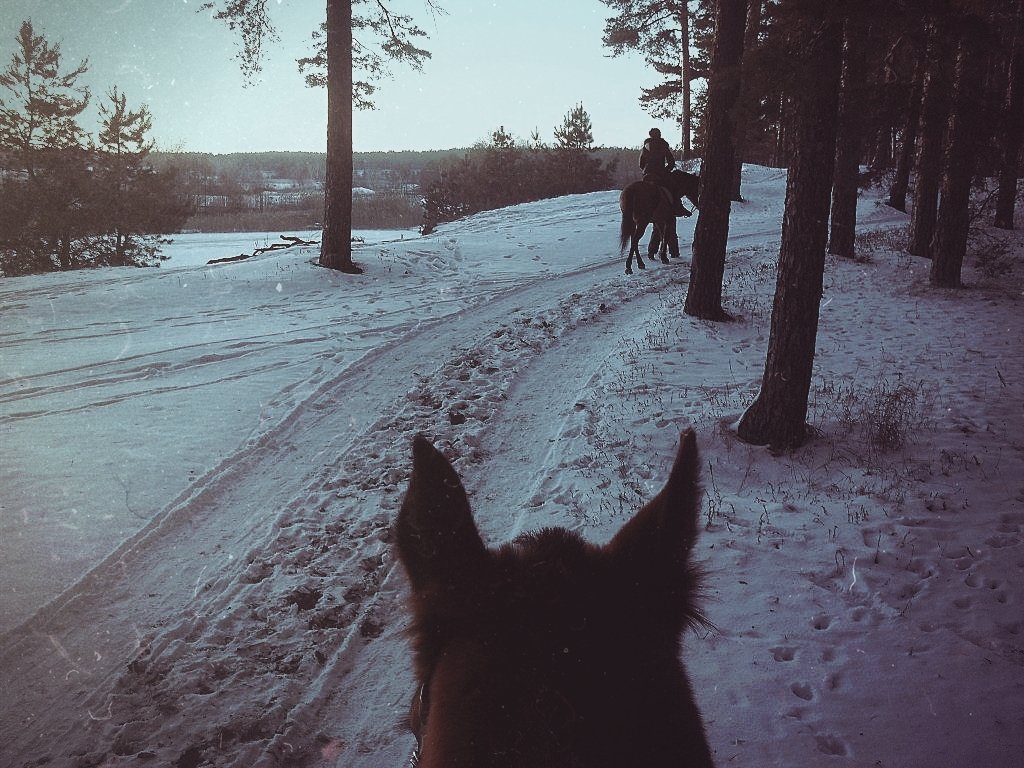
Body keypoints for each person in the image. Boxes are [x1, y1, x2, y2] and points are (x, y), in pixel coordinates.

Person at [639, 128, 688, 217]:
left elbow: (641, 163)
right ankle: (678, 207)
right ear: (659, 135)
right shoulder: (663, 145)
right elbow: (671, 162)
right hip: (660, 173)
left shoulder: (645, 146)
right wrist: (666, 170)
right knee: (673, 187)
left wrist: (646, 170)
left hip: (647, 173)